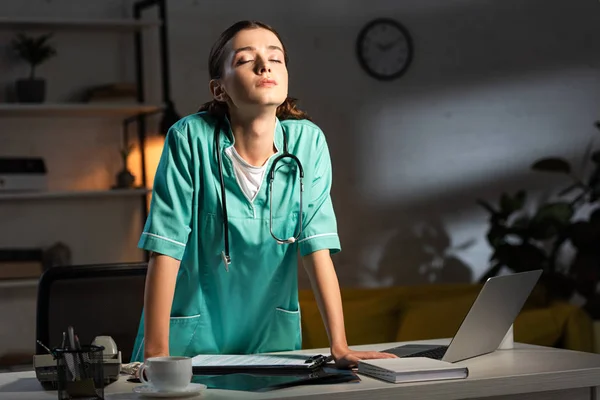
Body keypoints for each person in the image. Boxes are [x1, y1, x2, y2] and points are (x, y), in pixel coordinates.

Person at [131, 20, 396, 368]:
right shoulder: (188, 139)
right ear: (218, 89)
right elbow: (165, 248)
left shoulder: (308, 143)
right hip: (188, 343)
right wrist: (156, 355)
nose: (264, 65)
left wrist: (340, 345)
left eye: (276, 58)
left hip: (272, 342)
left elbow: (316, 246)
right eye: (244, 60)